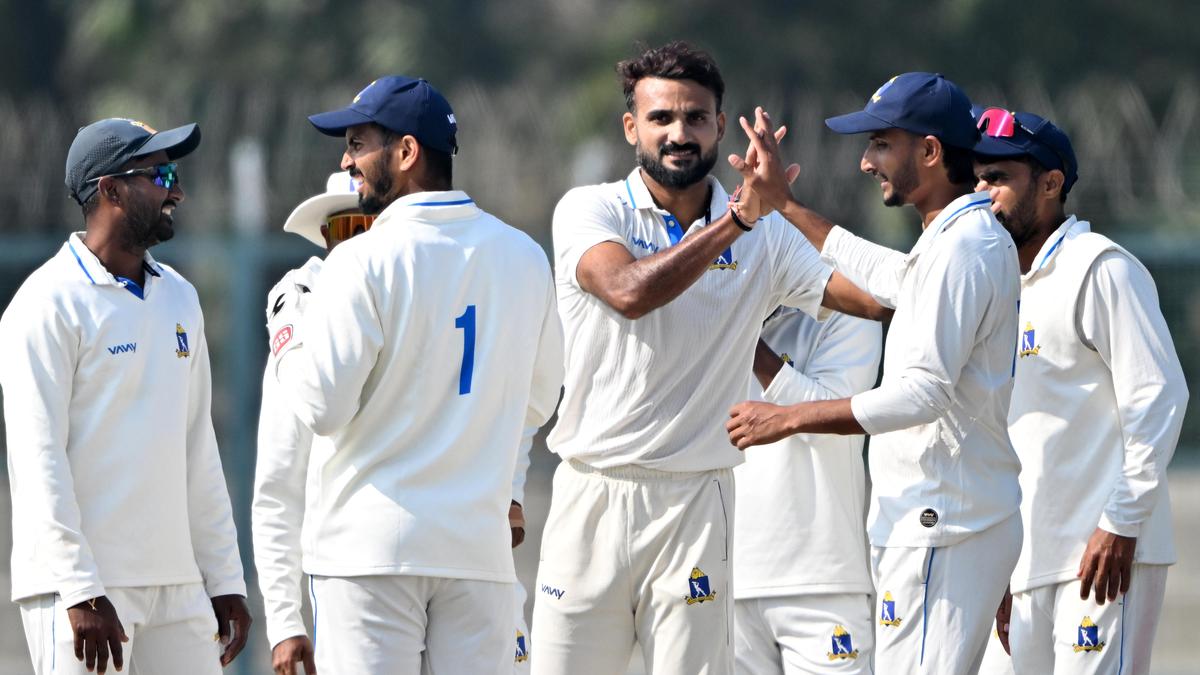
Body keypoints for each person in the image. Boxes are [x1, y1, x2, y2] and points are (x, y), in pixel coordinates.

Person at [532, 41, 885, 675]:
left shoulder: (767, 234)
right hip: (592, 489)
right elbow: (628, 291)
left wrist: (967, 256)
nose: (679, 134)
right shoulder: (592, 209)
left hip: (697, 504)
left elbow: (871, 301)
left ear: (721, 126)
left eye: (695, 118)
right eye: (661, 118)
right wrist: (736, 223)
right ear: (631, 127)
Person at [264, 76, 564, 674]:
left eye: (356, 142)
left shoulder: (359, 258)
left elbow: (322, 407)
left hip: (368, 556)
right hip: (477, 554)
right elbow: (541, 398)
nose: (346, 159)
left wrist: (287, 322)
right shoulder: (524, 255)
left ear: (405, 153)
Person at [725, 72, 1023, 673]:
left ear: (931, 151)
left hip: (944, 523)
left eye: (881, 144)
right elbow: (888, 278)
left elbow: (924, 393)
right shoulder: (949, 241)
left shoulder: (966, 246)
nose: (866, 162)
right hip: (929, 521)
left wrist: (788, 417)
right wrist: (784, 203)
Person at [0, 118, 250, 675]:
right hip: (84, 589)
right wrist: (80, 588)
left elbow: (196, 447)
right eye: (159, 174)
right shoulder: (45, 305)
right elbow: (39, 461)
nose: (176, 190)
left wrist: (225, 577)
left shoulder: (181, 297)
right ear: (110, 190)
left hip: (177, 583)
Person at [972, 109, 1187, 675]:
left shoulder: (1101, 268)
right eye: (977, 177)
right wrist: (1001, 567)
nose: (981, 193)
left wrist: (1122, 521)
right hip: (1025, 560)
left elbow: (1160, 396)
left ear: (1051, 183)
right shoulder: (993, 286)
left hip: (1103, 557)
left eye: (998, 178)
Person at [732, 307, 881, 674]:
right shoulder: (714, 305)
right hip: (728, 580)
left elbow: (829, 419)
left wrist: (740, 328)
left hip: (822, 580)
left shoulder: (852, 313)